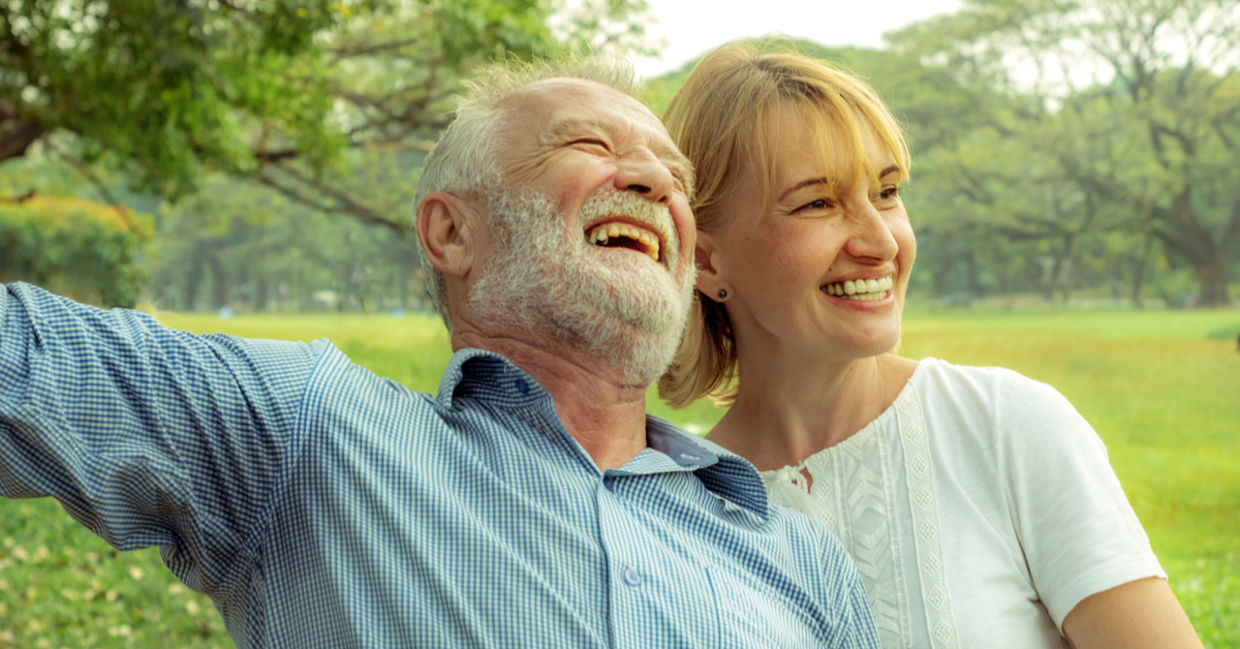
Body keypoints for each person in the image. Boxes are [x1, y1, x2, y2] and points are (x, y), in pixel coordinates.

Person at [0, 56, 882, 648]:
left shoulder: (795, 555)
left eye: (675, 177)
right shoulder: (313, 434)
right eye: (591, 145)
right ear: (451, 230)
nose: (655, 181)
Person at [658, 44, 1203, 649]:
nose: (881, 241)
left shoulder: (1004, 426)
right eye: (818, 202)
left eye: (887, 192)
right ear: (704, 259)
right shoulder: (671, 507)